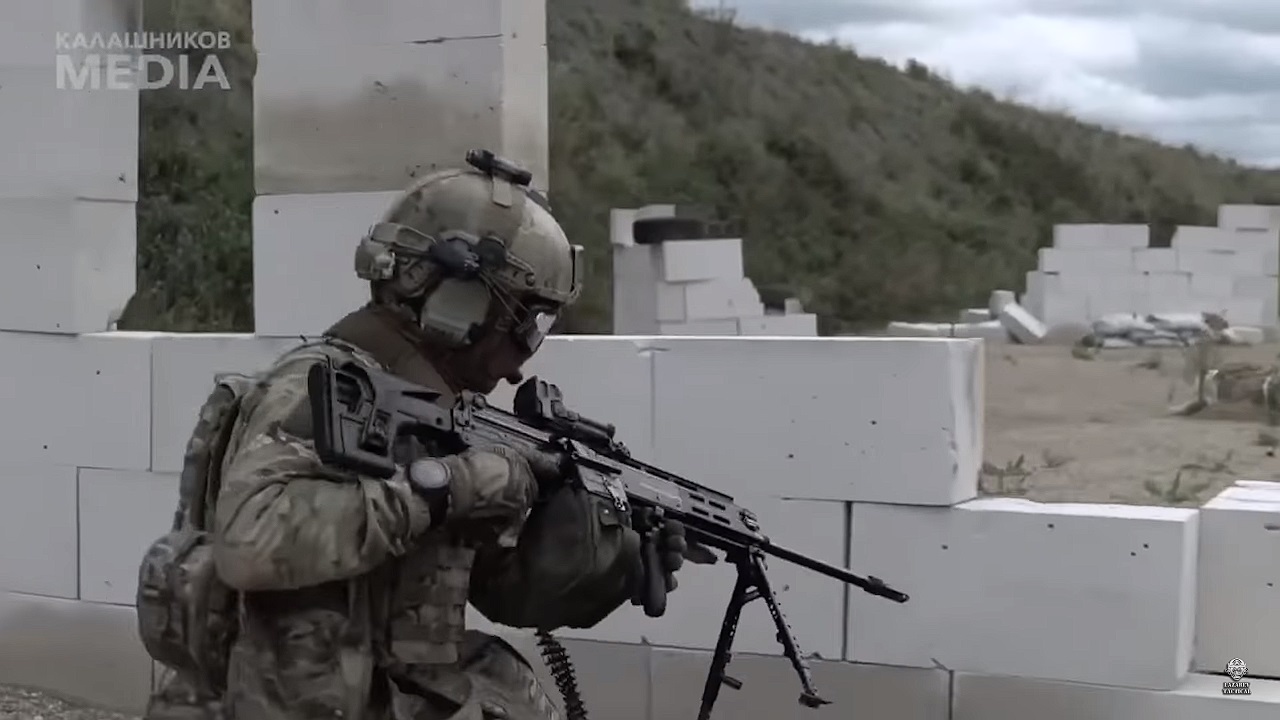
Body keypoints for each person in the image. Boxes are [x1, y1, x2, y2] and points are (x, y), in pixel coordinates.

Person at [140, 151, 694, 720]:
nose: (519, 364)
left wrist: (608, 556)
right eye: (526, 324)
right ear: (461, 301)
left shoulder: (437, 413)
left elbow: (499, 591)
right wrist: (452, 485)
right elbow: (250, 544)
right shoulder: (323, 387)